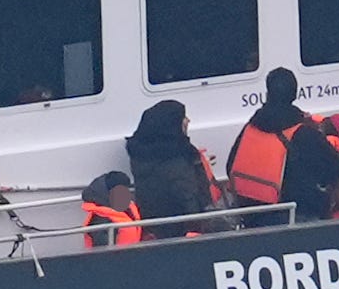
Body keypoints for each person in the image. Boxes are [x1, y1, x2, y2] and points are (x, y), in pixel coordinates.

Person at [125, 100, 220, 237]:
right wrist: (199, 231)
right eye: (183, 117)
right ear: (172, 125)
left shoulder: (141, 155)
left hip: (156, 228)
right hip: (182, 233)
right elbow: (189, 198)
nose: (188, 121)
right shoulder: (175, 160)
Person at [228, 69, 312, 208]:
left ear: (267, 94)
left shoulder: (250, 128)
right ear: (294, 94)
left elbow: (230, 165)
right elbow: (334, 167)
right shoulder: (303, 132)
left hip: (249, 211)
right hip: (292, 212)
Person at [79, 170, 143, 248]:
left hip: (132, 256)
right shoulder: (100, 218)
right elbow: (102, 252)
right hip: (117, 259)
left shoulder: (127, 208)